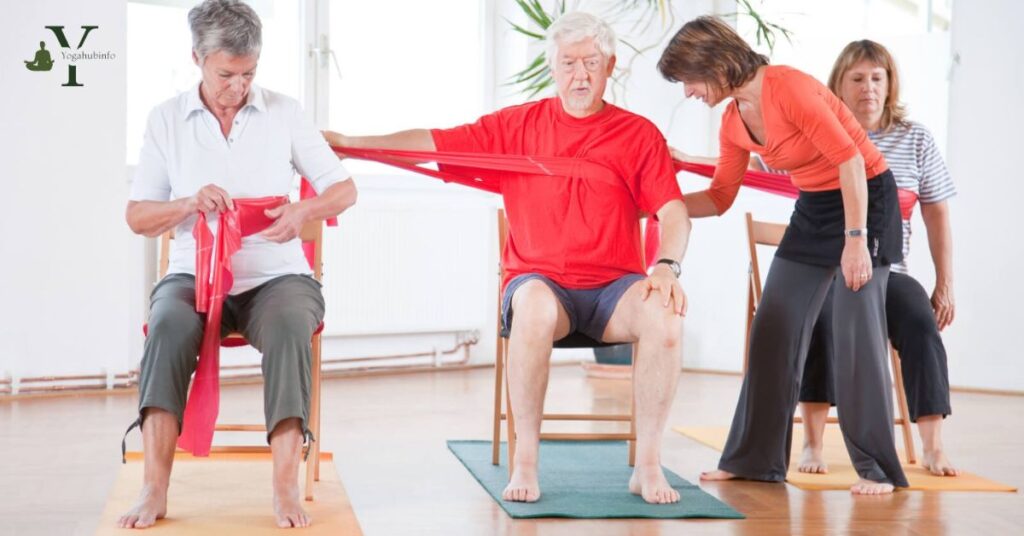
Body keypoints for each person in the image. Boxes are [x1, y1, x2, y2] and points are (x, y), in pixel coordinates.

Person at [325, 12, 691, 504]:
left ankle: (647, 464)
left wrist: (666, 266)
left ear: (611, 67)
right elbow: (436, 142)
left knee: (666, 319)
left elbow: (674, 214)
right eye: (568, 63)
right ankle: (526, 461)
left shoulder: (638, 135)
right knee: (535, 307)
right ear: (553, 69)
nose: (579, 75)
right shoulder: (518, 125)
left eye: (590, 63)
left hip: (614, 289)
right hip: (542, 283)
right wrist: (353, 143)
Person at [119, 0, 356, 529]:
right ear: (197, 58)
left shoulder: (284, 112)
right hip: (191, 275)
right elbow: (138, 216)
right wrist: (187, 204)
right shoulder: (166, 119)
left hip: (276, 277)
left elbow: (344, 189)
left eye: (249, 73)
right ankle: (154, 490)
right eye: (227, 74)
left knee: (292, 325)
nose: (238, 86)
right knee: (166, 326)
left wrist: (303, 209)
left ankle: (285, 491)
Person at [658, 17, 908, 494]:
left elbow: (850, 159)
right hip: (814, 209)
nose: (688, 91)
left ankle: (878, 469)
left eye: (689, 78)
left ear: (712, 62)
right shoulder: (734, 121)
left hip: (865, 199)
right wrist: (658, 207)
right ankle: (754, 459)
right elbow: (719, 198)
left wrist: (856, 239)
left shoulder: (788, 87)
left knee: (855, 332)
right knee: (774, 326)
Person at [795, 40, 958, 477]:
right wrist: (687, 161)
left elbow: (937, 214)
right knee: (820, 319)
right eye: (857, 78)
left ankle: (933, 447)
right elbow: (757, 164)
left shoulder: (916, 138)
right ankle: (811, 445)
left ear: (889, 85)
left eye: (877, 78)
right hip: (829, 271)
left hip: (889, 273)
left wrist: (944, 283)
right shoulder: (816, 135)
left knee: (921, 322)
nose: (868, 88)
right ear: (840, 87)